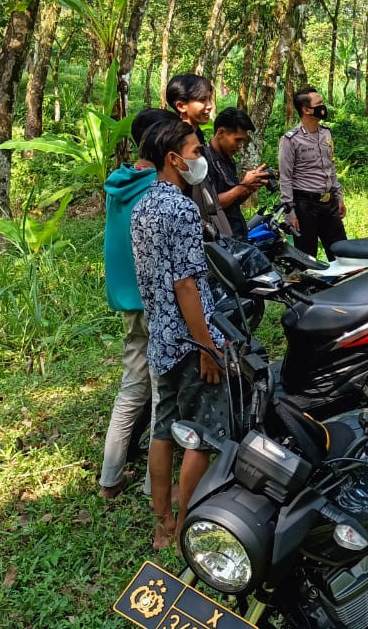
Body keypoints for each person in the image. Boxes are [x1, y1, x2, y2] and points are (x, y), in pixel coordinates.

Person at [129, 119, 230, 550]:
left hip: (160, 339)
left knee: (163, 429)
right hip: (189, 339)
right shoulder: (182, 209)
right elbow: (186, 284)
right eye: (193, 152)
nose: (199, 159)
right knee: (203, 433)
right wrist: (207, 347)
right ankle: (187, 522)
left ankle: (161, 524)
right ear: (173, 159)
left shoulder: (143, 205)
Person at [97, 107, 177, 500]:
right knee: (163, 392)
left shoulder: (118, 182)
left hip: (129, 301)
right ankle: (154, 487)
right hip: (157, 299)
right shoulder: (156, 189)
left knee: (132, 388)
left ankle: (109, 480)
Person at [278, 87, 346, 259]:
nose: (323, 107)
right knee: (307, 258)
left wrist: (339, 196)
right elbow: (285, 178)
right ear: (306, 110)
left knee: (341, 252)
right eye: (319, 103)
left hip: (329, 203)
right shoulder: (290, 140)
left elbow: (331, 168)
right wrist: (290, 212)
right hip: (305, 206)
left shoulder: (326, 133)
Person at [166, 73, 232, 239]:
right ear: (181, 106)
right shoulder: (174, 140)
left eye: (210, 99)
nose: (209, 106)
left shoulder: (198, 135)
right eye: (203, 100)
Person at [204, 106, 274, 238]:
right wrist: (242, 186)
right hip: (221, 240)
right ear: (220, 133)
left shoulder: (228, 159)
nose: (240, 146)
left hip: (238, 232)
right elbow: (210, 205)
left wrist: (250, 188)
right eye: (237, 139)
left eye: (242, 140)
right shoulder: (204, 160)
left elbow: (232, 201)